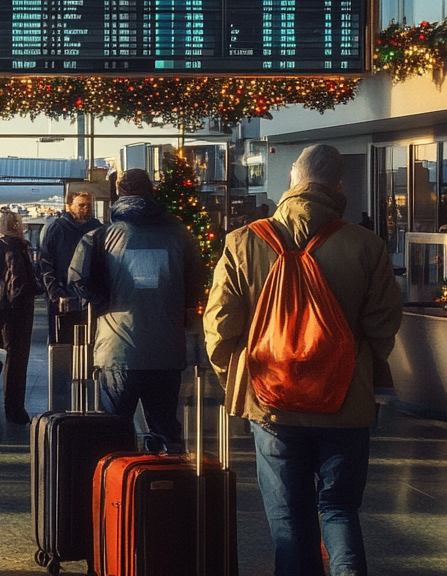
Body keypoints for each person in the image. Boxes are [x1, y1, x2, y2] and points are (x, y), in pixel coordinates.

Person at [205, 145, 402, 576]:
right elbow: (384, 324)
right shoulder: (367, 245)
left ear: (293, 180)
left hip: (271, 402)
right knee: (338, 510)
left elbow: (220, 327)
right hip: (346, 403)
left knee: (290, 519)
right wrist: (357, 369)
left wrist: (240, 376)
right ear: (338, 186)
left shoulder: (243, 242)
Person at [80, 168, 201, 450]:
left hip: (118, 348)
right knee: (165, 428)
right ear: (152, 192)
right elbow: (195, 284)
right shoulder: (180, 233)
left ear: (118, 194)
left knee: (114, 432)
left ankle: (116, 488)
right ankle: (165, 487)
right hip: (166, 348)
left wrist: (106, 304)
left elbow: (78, 278)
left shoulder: (101, 236)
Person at [0, 208, 39, 425]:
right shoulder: (17, 247)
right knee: (18, 359)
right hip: (19, 307)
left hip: (0, 306)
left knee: (10, 356)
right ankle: (15, 408)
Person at [37, 191, 103, 344]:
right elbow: (46, 263)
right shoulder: (58, 228)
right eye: (81, 205)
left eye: (89, 205)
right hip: (63, 295)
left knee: (90, 342)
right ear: (69, 206)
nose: (86, 208)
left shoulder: (97, 229)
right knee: (63, 342)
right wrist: (56, 292)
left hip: (90, 297)